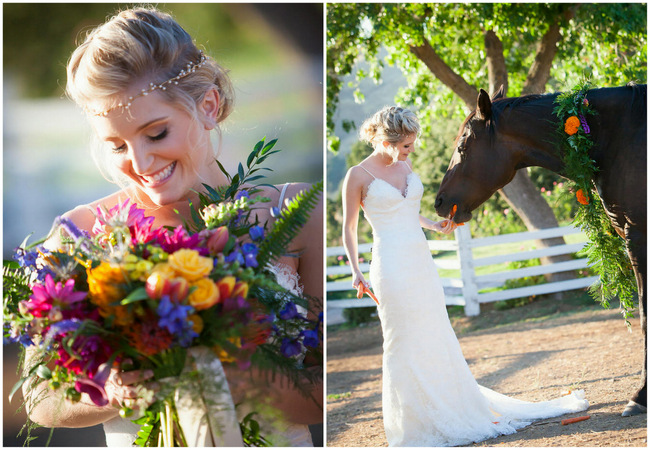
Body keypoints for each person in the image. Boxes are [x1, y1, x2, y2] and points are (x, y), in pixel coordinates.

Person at [21, 7, 323, 447]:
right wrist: (114, 392)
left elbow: (325, 392)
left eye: (156, 133)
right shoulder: (78, 235)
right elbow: (40, 398)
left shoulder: (296, 214)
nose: (140, 163)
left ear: (208, 105)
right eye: (117, 145)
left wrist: (233, 375)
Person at [341, 105, 589, 447]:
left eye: (412, 145)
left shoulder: (405, 165)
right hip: (390, 265)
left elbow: (408, 214)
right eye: (405, 146)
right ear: (385, 139)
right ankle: (413, 424)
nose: (410, 152)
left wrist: (436, 225)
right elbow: (349, 229)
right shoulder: (358, 175)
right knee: (401, 341)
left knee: (434, 333)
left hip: (419, 260)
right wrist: (356, 271)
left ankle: (448, 405)